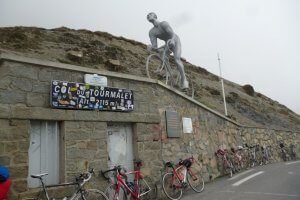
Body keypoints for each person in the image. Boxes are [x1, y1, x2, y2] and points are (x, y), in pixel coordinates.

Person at [146, 12, 189, 90]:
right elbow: (155, 47)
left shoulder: (163, 24)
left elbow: (172, 34)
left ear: (155, 16)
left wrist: (172, 40)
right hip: (167, 43)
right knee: (161, 52)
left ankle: (184, 80)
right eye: (147, 16)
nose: (148, 16)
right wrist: (150, 47)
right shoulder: (151, 32)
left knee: (176, 59)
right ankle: (169, 72)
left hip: (175, 40)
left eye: (150, 14)